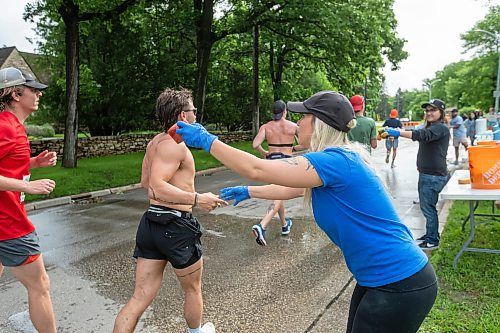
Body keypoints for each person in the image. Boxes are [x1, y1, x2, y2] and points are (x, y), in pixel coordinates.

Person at [176, 91, 438, 333]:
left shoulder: (334, 161)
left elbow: (257, 168)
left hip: (400, 282)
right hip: (379, 278)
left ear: (320, 124)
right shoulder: (336, 162)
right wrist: (249, 192)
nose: (298, 124)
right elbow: (287, 189)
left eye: (304, 118)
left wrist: (207, 140)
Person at [113, 88, 226, 333]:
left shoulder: (155, 142)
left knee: (139, 298)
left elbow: (146, 182)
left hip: (152, 223)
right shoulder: (175, 146)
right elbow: (156, 184)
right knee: (192, 289)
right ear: (182, 116)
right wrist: (196, 198)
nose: (196, 114)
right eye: (193, 110)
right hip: (176, 226)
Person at [0, 67, 58, 333]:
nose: (38, 95)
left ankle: (32, 318)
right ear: (15, 94)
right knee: (40, 285)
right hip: (10, 224)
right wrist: (28, 185)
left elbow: (7, 166)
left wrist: (35, 162)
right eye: (33, 90)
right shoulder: (5, 128)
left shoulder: (13, 126)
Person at [384, 99, 450, 250]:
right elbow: (421, 133)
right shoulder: (433, 127)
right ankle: (430, 234)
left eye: (433, 110)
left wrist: (398, 132)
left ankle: (433, 240)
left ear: (441, 112)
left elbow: (422, 135)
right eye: (427, 110)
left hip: (433, 176)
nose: (429, 113)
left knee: (428, 208)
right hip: (427, 174)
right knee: (427, 207)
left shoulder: (440, 128)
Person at [250, 100, 299, 246]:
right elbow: (305, 143)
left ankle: (285, 224)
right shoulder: (293, 126)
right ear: (285, 112)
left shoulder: (266, 127)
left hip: (271, 161)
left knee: (278, 194)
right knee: (279, 194)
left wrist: (264, 152)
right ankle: (262, 225)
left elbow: (255, 144)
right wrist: (292, 149)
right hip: (286, 162)